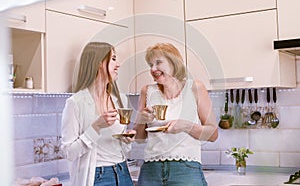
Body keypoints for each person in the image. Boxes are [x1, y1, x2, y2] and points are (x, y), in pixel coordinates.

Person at [134, 43, 218, 186]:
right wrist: (142, 120)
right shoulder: (147, 91)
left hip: (186, 169)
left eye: (158, 62)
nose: (153, 69)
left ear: (174, 63)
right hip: (151, 169)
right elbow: (139, 138)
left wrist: (186, 126)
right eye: (150, 64)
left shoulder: (195, 88)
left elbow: (213, 134)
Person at [61, 42, 136, 186]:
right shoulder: (76, 103)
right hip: (98, 176)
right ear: (99, 63)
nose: (118, 64)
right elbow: (69, 152)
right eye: (113, 59)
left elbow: (121, 148)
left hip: (123, 172)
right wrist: (95, 127)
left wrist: (127, 141)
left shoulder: (119, 100)